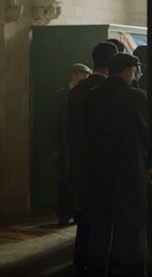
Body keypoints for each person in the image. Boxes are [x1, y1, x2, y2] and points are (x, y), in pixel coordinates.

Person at [83, 52, 148, 276]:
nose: (135, 75)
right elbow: (145, 135)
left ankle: (96, 271)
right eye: (135, 71)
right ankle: (134, 272)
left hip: (97, 173)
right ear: (126, 71)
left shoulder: (91, 97)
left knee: (100, 228)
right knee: (132, 230)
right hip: (129, 173)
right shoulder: (136, 98)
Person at [67, 42, 118, 274]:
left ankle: (80, 259)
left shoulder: (77, 90)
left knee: (84, 215)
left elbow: (70, 126)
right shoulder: (108, 91)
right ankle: (100, 264)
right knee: (102, 218)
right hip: (102, 163)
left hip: (79, 160)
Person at [52, 63, 91, 225]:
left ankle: (75, 213)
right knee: (64, 181)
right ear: (74, 75)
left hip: (76, 146)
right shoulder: (61, 95)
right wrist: (55, 146)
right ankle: (63, 214)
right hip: (65, 146)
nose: (86, 78)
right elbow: (54, 122)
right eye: (83, 74)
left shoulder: (83, 95)